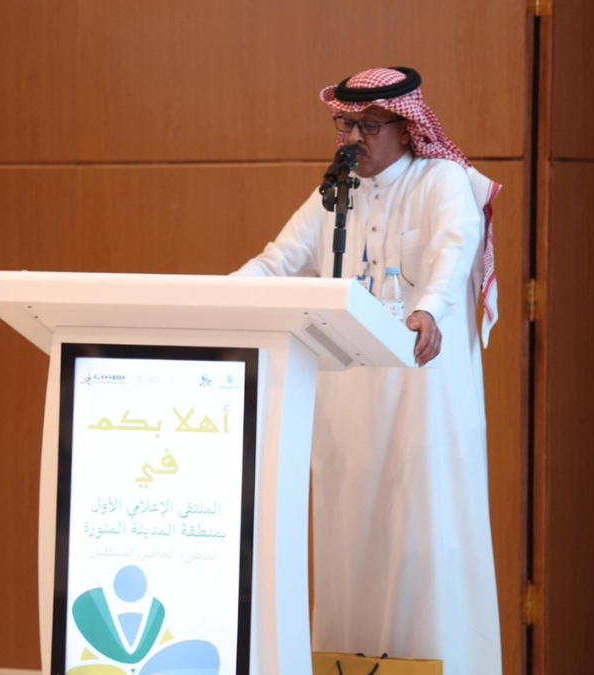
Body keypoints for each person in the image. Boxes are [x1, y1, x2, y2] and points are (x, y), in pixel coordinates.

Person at [236, 67, 503, 674]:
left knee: (424, 535)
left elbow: (454, 249)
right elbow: (279, 261)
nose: (354, 137)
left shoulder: (440, 180)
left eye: (369, 125)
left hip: (422, 393)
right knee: (349, 535)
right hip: (348, 399)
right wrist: (217, 300)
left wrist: (429, 307)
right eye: (346, 124)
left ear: (407, 128)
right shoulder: (337, 190)